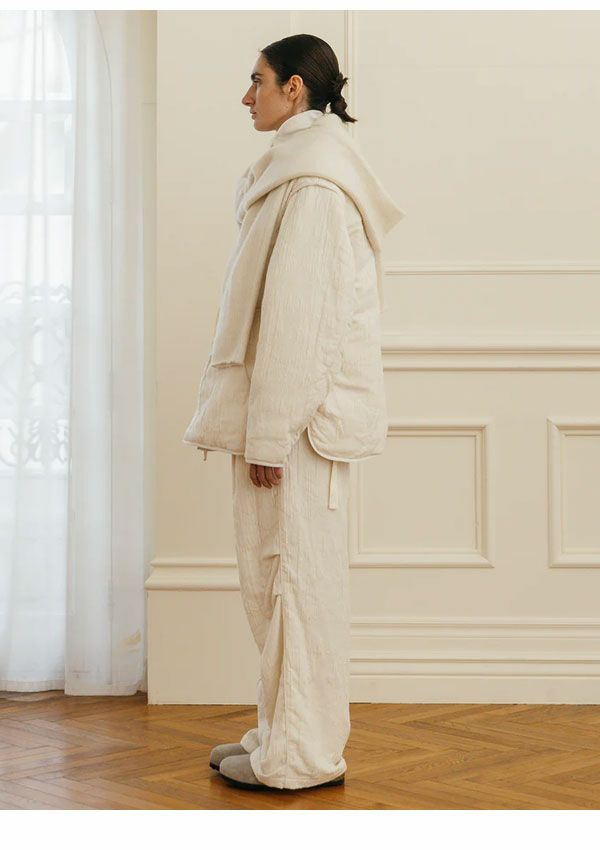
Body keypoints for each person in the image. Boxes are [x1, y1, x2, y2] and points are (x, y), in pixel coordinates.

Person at [182, 33, 405, 791]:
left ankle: (300, 757)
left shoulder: (313, 186)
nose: (246, 96)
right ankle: (280, 735)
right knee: (277, 584)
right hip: (288, 421)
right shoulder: (296, 171)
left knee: (298, 589)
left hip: (300, 428)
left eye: (258, 81)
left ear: (295, 90)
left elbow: (300, 325)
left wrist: (271, 435)